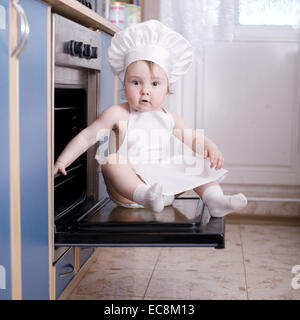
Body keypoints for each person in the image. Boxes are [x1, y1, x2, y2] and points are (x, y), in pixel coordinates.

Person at [54, 20, 247, 216]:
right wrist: (63, 161)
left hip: (163, 189)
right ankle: (145, 195)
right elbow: (88, 136)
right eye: (136, 82)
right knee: (112, 160)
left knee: (192, 161)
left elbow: (195, 139)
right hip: (129, 191)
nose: (145, 91)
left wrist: (211, 147)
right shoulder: (118, 113)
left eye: (155, 84)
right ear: (124, 83)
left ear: (167, 90)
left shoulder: (169, 118)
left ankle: (215, 200)